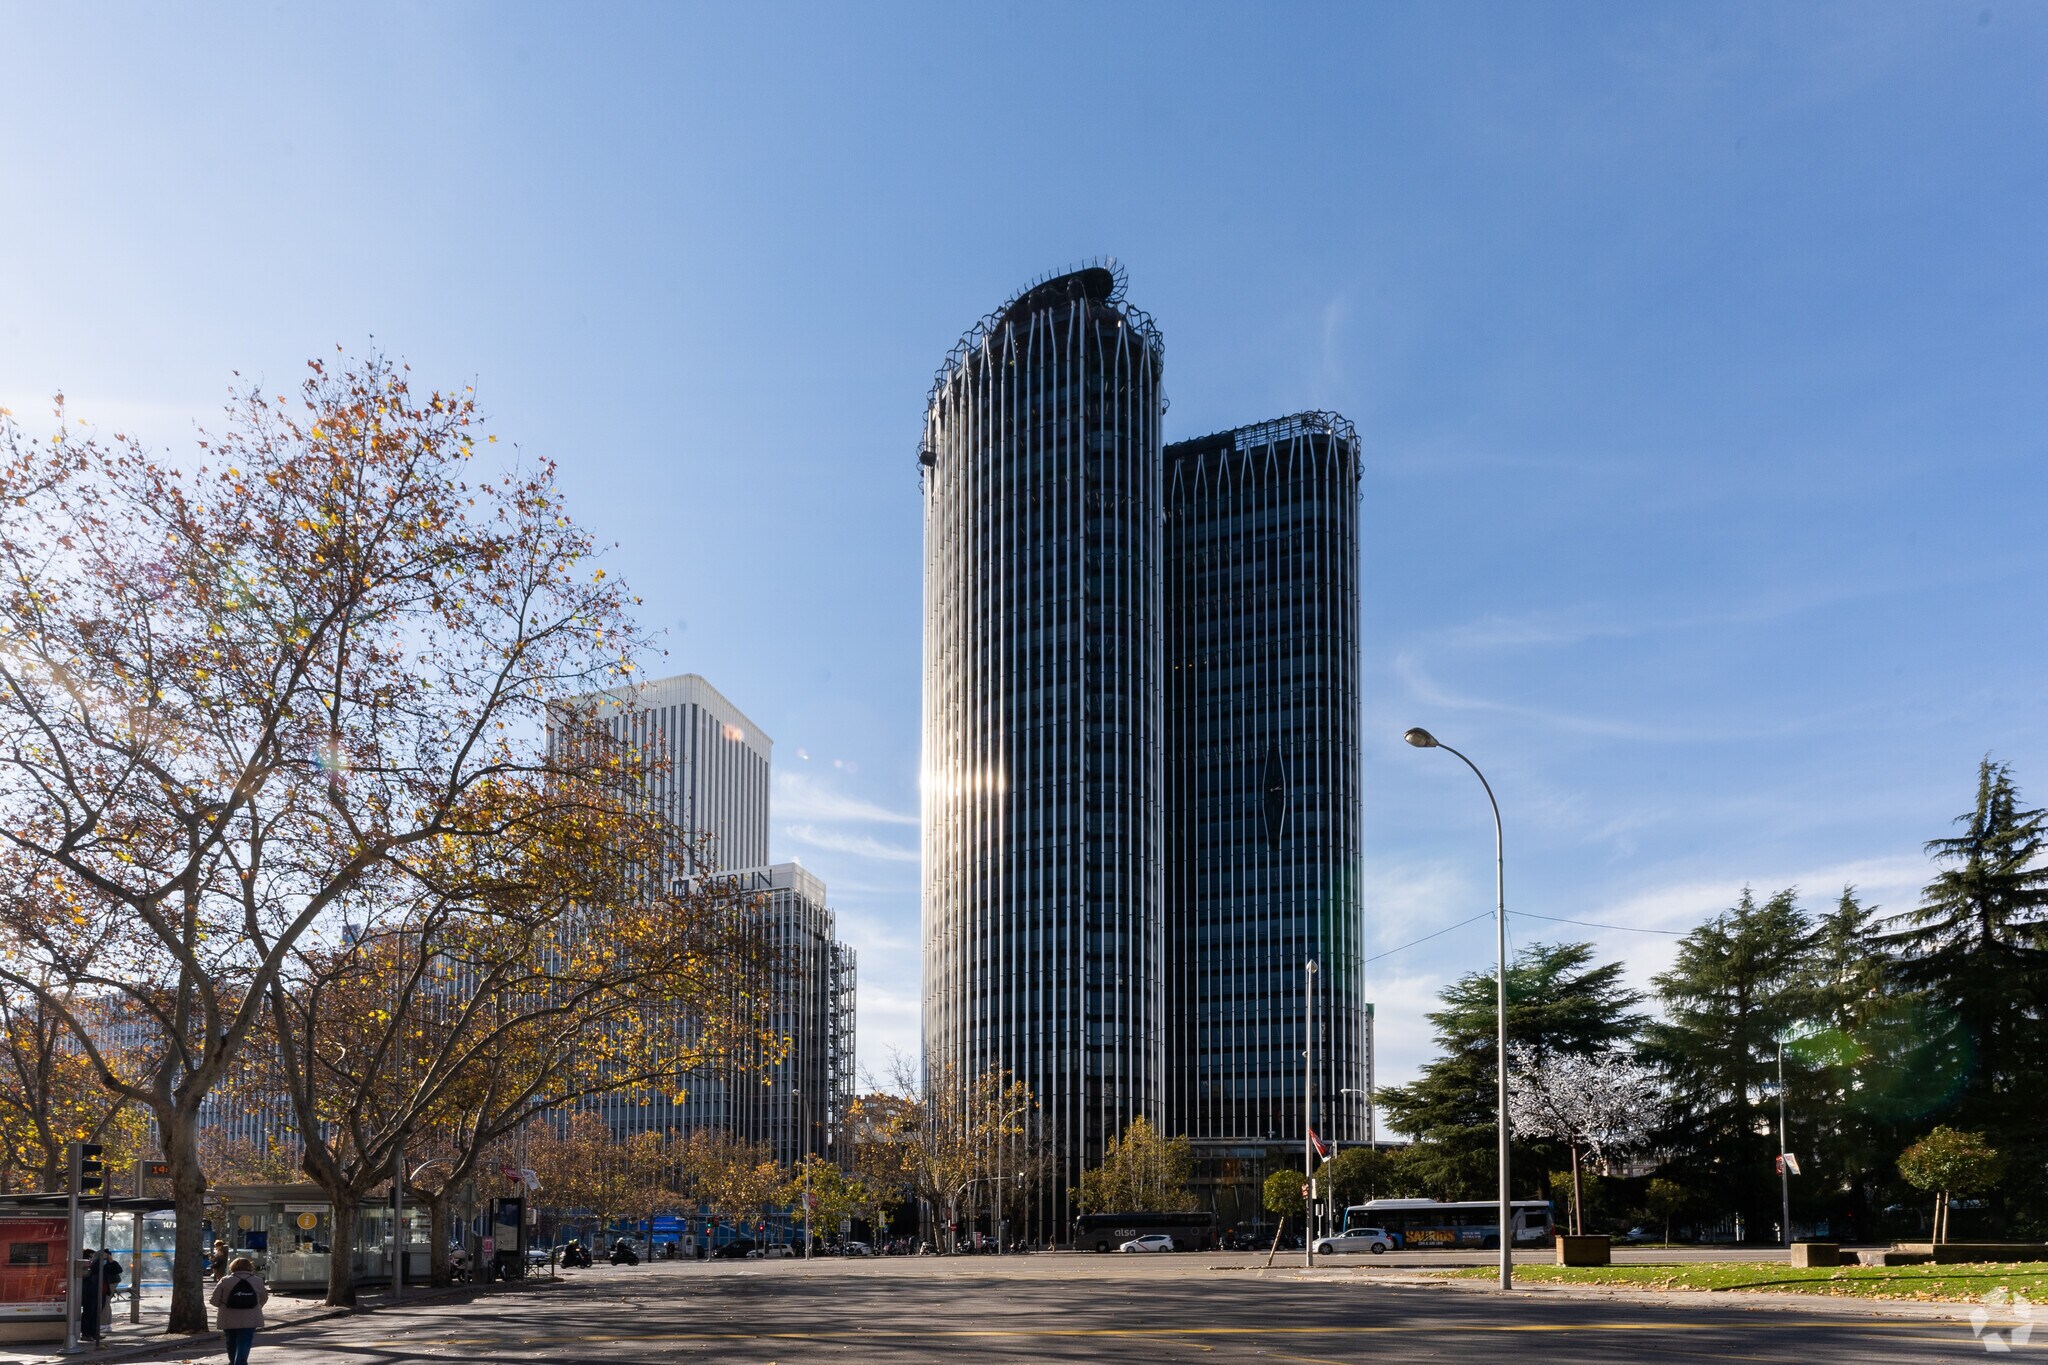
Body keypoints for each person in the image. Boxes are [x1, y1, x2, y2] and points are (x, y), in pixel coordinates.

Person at [209, 1255, 269, 1365]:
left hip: (228, 1317)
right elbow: (264, 1297)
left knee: (230, 1341)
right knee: (244, 1341)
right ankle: (240, 1362)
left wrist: (224, 1306)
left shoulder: (225, 1280)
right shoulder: (257, 1280)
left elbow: (213, 1300)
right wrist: (256, 1307)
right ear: (250, 1267)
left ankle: (233, 1362)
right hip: (250, 1317)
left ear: (232, 1267)